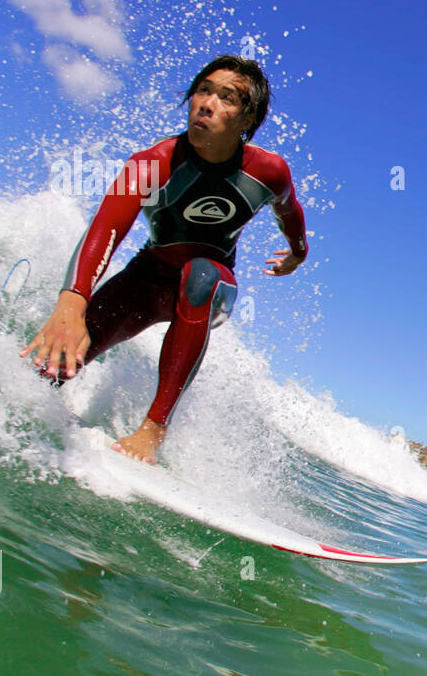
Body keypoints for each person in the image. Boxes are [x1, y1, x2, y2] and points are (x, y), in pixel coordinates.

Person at [21, 56, 307, 464]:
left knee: (200, 276)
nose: (206, 103)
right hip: (148, 280)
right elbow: (106, 228)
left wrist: (298, 252)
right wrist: (72, 301)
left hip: (211, 286)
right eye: (203, 90)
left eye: (227, 97)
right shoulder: (153, 163)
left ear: (248, 119)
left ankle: (153, 429)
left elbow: (290, 213)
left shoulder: (269, 171)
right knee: (60, 360)